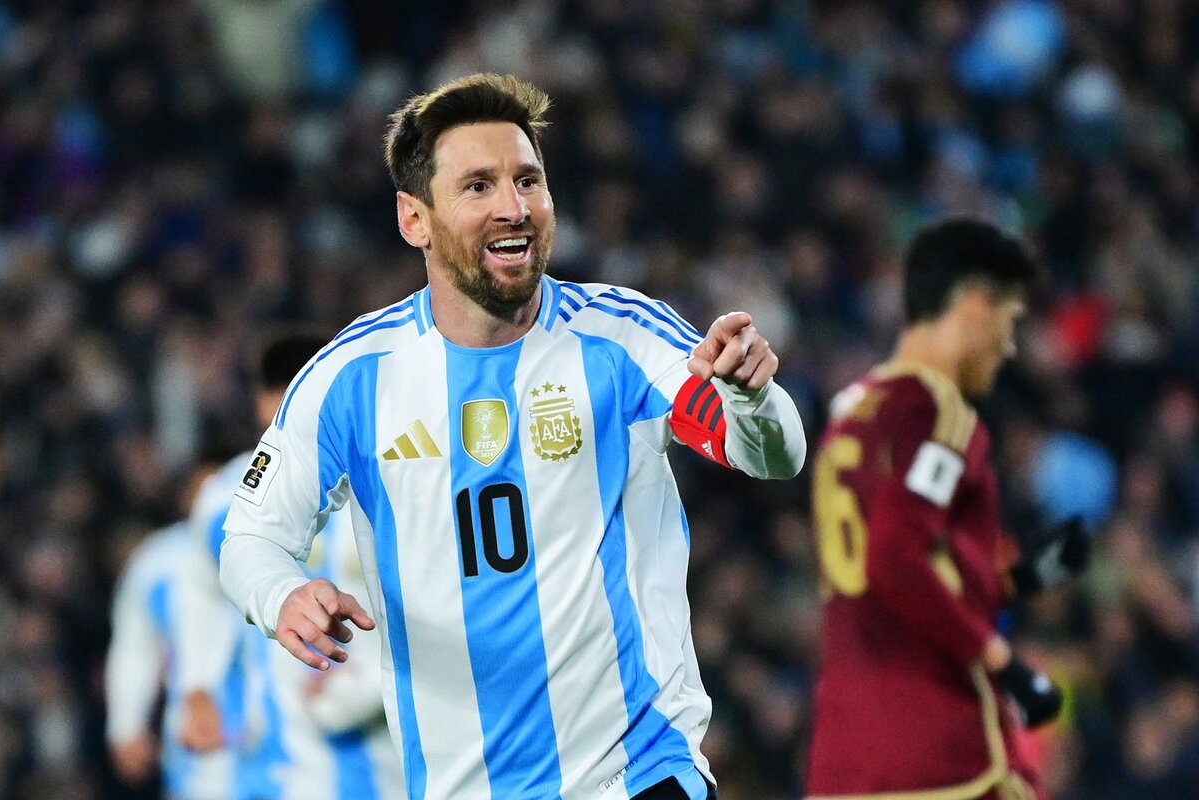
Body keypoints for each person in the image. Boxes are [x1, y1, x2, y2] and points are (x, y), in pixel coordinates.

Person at [219, 73, 808, 800]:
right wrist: (282, 594)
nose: (515, 207)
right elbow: (248, 536)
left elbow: (771, 454)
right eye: (478, 186)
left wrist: (753, 399)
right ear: (415, 219)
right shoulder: (352, 378)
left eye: (528, 179)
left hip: (635, 776)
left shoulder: (619, 336)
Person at [804, 218, 1087, 800]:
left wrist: (1029, 577)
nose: (1009, 347)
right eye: (1009, 321)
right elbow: (895, 560)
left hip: (845, 751)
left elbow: (900, 580)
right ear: (974, 305)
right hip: (934, 745)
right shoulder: (940, 412)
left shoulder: (857, 408)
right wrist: (1004, 661)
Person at [178, 330, 404, 799]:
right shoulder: (228, 499)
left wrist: (362, 690)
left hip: (387, 759)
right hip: (273, 766)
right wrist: (199, 683)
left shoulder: (388, 477)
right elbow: (199, 582)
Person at [105, 455, 237, 799]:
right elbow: (134, 646)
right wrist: (126, 724)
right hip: (198, 750)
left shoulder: (290, 540)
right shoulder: (156, 563)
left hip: (291, 734)